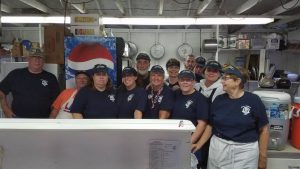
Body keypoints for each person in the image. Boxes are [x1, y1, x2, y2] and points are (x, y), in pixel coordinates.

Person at [192, 65, 269, 169]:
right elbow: (210, 126)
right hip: (218, 148)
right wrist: (199, 145)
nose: (222, 81)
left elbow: (264, 129)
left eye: (225, 78)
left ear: (237, 81)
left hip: (245, 152)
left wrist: (263, 157)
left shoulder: (253, 100)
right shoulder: (219, 100)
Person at [0, 49, 60, 118]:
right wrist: (6, 110)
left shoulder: (51, 78)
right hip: (17, 119)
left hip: (43, 120)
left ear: (44, 61)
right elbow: (1, 92)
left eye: (40, 58)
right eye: (34, 57)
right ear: (28, 59)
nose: (37, 60)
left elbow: (57, 101)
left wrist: (52, 117)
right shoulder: (16, 74)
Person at [194, 60, 224, 169]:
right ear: (204, 71)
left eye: (215, 71)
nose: (211, 73)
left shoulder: (222, 88)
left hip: (212, 129)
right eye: (209, 70)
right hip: (196, 127)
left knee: (206, 159)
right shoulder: (197, 86)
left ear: (220, 74)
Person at [172, 69, 209, 145]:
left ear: (194, 82)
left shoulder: (200, 99)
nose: (185, 82)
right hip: (174, 137)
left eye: (188, 80)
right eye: (182, 80)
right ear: (178, 82)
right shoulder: (175, 94)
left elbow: (202, 124)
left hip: (189, 140)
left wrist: (188, 143)